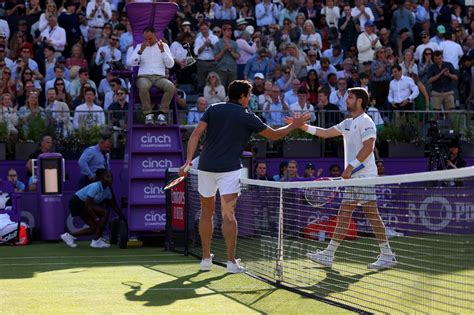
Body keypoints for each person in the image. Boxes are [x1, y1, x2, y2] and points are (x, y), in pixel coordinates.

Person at [178, 80, 309, 273]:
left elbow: (196, 135)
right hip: (229, 170)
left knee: (207, 212)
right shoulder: (247, 116)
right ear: (242, 97)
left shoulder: (213, 109)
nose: (250, 99)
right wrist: (295, 125)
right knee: (228, 215)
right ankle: (231, 263)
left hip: (206, 167)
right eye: (249, 95)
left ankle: (206, 259)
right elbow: (273, 135)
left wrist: (188, 161)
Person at [289, 87, 397, 269]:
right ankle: (329, 254)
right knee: (346, 214)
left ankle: (386, 255)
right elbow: (324, 133)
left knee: (370, 215)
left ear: (360, 101)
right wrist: (302, 126)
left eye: (350, 97)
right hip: (354, 178)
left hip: (364, 177)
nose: (346, 100)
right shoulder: (348, 123)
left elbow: (368, 147)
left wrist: (350, 167)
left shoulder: (366, 122)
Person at [60, 169, 124, 248]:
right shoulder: (95, 187)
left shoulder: (107, 190)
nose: (110, 178)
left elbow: (113, 204)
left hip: (85, 205)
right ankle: (97, 240)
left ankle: (69, 236)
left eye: (111, 176)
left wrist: (121, 214)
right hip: (77, 203)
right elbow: (87, 205)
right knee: (104, 212)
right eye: (107, 177)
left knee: (94, 228)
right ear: (101, 178)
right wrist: (96, 218)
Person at [130, 26, 176, 125]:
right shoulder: (139, 46)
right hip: (144, 76)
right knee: (143, 86)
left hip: (160, 77)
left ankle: (162, 114)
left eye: (150, 38)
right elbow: (132, 63)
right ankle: (148, 114)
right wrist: (140, 51)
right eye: (146, 38)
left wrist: (163, 51)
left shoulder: (164, 46)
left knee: (171, 87)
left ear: (156, 36)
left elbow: (170, 65)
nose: (148, 41)